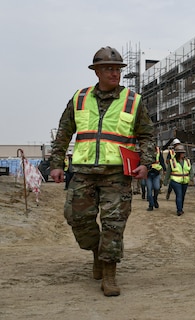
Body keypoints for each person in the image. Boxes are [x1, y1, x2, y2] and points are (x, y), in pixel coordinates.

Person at [49, 46, 155, 297]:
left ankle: (109, 272)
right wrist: (56, 164)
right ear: (96, 71)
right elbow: (64, 132)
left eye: (118, 69)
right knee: (76, 218)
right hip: (84, 172)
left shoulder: (133, 101)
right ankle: (97, 251)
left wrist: (146, 162)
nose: (115, 73)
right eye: (109, 68)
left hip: (117, 174)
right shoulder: (80, 98)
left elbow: (147, 136)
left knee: (113, 224)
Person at [164, 144, 192, 216]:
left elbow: (191, 170)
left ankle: (181, 208)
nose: (183, 154)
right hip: (175, 181)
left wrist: (191, 177)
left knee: (182, 195)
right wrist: (165, 181)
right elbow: (168, 172)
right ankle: (179, 210)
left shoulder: (187, 161)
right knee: (179, 195)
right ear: (178, 153)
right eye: (181, 153)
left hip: (184, 181)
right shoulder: (172, 161)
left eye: (183, 152)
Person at [146, 146, 166, 211]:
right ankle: (151, 205)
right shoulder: (145, 152)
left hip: (156, 173)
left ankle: (155, 199)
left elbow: (161, 161)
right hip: (148, 174)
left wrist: (164, 169)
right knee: (149, 190)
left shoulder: (158, 152)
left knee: (157, 188)